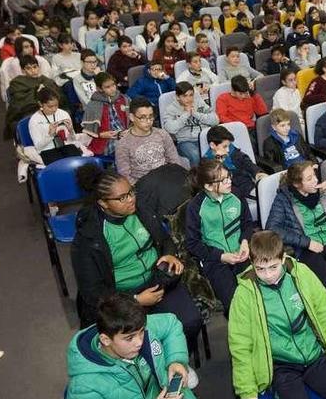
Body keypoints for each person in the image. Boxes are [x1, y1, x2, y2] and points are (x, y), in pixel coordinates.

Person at [229, 231, 326, 399]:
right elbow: (240, 346)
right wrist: (247, 392)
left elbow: (325, 312)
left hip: (314, 356)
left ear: (283, 258)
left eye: (273, 267)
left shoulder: (302, 275)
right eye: (260, 269)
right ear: (252, 264)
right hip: (281, 367)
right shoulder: (244, 295)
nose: (267, 275)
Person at [71, 164, 201, 342]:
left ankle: (175, 361)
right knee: (141, 340)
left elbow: (164, 240)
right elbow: (92, 292)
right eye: (122, 198)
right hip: (121, 296)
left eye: (131, 192)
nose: (131, 199)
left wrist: (169, 253)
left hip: (157, 280)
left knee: (190, 322)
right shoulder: (89, 237)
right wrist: (135, 300)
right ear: (103, 203)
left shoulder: (141, 210)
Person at [65, 294, 221, 399]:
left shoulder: (130, 326)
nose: (139, 342)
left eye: (142, 332)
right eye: (130, 338)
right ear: (105, 340)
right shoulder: (83, 388)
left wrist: (176, 361)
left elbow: (171, 324)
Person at [266, 161, 326, 296]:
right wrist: (306, 242)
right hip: (307, 250)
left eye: (314, 175)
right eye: (309, 179)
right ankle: (325, 314)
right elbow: (272, 229)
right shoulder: (284, 199)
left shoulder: (324, 192)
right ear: (297, 184)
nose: (315, 180)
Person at [183, 159, 254, 315]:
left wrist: (244, 242)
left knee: (256, 295)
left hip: (241, 254)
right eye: (223, 180)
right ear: (208, 186)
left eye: (229, 176)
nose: (229, 182)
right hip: (215, 261)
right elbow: (192, 243)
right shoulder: (195, 207)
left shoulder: (236, 194)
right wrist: (221, 256)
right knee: (235, 306)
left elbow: (248, 224)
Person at [115, 97, 189, 184]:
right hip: (143, 186)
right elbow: (125, 175)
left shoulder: (162, 134)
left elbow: (175, 161)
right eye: (143, 117)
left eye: (151, 116)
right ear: (132, 117)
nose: (148, 121)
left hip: (166, 180)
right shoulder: (123, 144)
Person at [3, 55, 67, 141]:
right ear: (23, 70)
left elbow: (60, 97)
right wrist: (37, 92)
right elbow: (19, 103)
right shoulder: (17, 83)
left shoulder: (47, 81)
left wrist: (45, 92)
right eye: (28, 68)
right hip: (29, 111)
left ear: (38, 67)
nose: (33, 71)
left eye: (35, 67)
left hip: (52, 109)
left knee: (65, 115)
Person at [162, 82, 219, 167]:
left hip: (205, 137)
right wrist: (186, 114)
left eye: (191, 95)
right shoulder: (171, 110)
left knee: (219, 149)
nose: (189, 99)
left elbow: (215, 120)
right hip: (185, 142)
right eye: (185, 96)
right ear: (178, 97)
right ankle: (197, 178)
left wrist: (197, 114)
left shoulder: (199, 102)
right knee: (195, 155)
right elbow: (171, 129)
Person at [203, 126, 266, 200]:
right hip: (229, 192)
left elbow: (246, 162)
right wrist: (219, 161)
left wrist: (257, 172)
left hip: (247, 184)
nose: (228, 150)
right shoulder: (206, 162)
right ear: (212, 145)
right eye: (224, 146)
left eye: (229, 145)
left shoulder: (232, 150)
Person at [28, 88, 84, 164]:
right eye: (50, 106)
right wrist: (50, 135)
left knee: (78, 163)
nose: (54, 109)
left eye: (56, 105)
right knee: (60, 166)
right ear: (40, 104)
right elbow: (38, 147)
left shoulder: (63, 114)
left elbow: (73, 140)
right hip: (47, 150)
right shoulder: (34, 120)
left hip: (66, 146)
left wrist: (71, 130)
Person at [82, 73, 130, 157]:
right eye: (107, 87)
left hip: (125, 134)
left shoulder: (123, 99)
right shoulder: (93, 105)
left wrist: (130, 130)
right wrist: (101, 135)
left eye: (113, 85)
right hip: (105, 140)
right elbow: (89, 131)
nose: (112, 89)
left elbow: (133, 118)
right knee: (125, 149)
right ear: (99, 89)